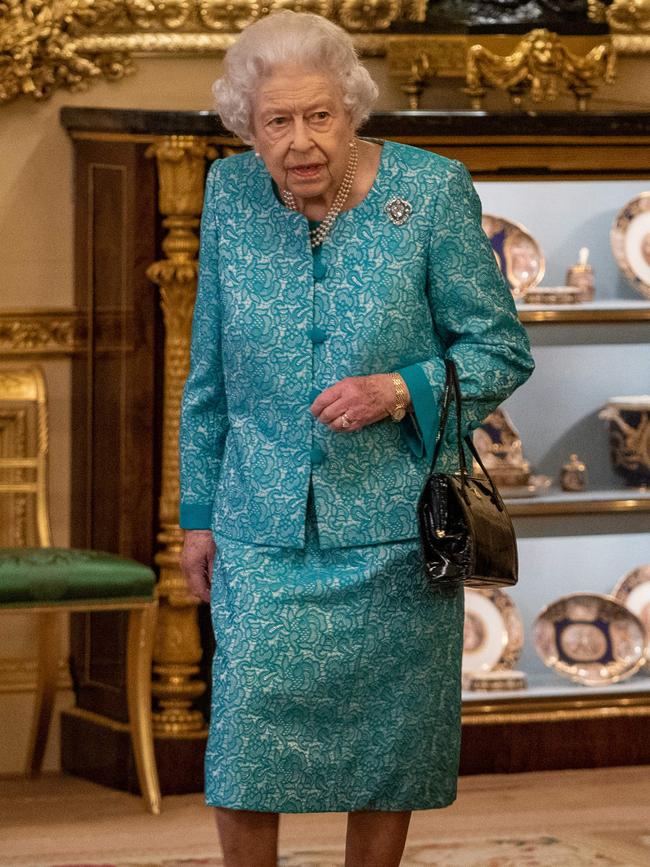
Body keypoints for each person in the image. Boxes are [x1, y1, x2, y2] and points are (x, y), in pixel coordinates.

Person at [179, 10, 534, 867]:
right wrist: (196, 513)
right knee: (244, 743)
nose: (301, 142)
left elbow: (499, 346)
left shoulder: (432, 192)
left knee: (390, 752)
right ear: (247, 126)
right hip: (260, 524)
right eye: (277, 121)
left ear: (351, 109)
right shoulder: (229, 194)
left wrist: (398, 389)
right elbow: (208, 374)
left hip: (396, 528)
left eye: (319, 116)